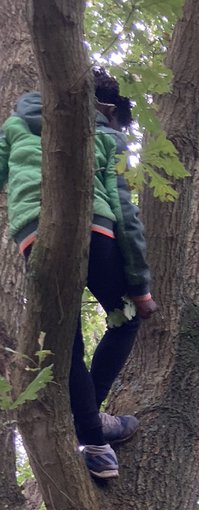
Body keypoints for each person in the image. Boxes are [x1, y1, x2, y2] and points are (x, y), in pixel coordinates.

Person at [0, 66, 156, 481]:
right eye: (118, 121)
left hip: (34, 237)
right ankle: (91, 427)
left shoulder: (16, 122)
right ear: (108, 110)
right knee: (125, 318)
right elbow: (124, 210)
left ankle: (93, 433)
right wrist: (139, 285)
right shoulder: (106, 134)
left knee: (66, 339)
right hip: (97, 233)